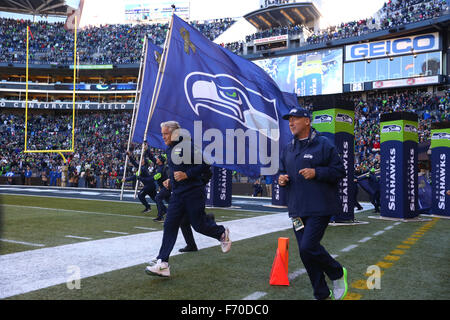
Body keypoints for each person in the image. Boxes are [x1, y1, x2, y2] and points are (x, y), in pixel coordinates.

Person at [278, 107, 348, 300]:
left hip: (320, 206)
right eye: (289, 120)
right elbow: (282, 172)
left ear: (307, 121)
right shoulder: (287, 149)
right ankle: (321, 294)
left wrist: (317, 172)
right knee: (305, 253)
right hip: (297, 209)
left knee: (308, 247)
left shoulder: (323, 144)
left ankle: (336, 272)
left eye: (295, 119)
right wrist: (281, 179)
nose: (291, 123)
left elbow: (339, 171)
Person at [145, 121, 231, 277]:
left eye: (165, 133)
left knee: (198, 226)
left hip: (193, 193)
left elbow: (205, 164)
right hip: (178, 194)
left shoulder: (187, 145)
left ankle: (221, 233)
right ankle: (163, 263)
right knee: (169, 224)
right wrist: (170, 180)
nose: (163, 136)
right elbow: (176, 169)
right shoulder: (170, 147)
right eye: (162, 133)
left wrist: (187, 175)